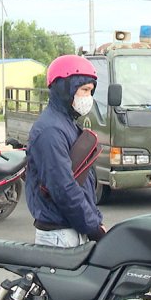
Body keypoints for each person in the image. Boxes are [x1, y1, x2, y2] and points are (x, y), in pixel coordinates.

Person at [25, 54, 107, 248]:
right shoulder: (50, 131)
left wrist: (94, 220)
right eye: (84, 90)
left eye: (90, 91)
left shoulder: (66, 124)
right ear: (65, 88)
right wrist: (93, 227)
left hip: (71, 230)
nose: (88, 97)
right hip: (60, 236)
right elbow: (63, 188)